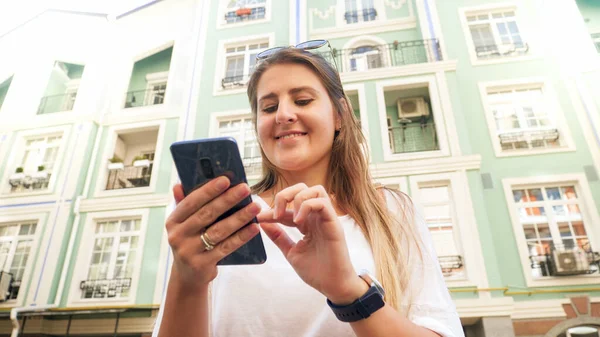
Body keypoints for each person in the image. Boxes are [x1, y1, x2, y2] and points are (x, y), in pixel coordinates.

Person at [153, 45, 464, 337]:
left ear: (339, 115)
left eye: (302, 100)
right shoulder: (222, 216)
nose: (283, 114)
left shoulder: (392, 211)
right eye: (269, 106)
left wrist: (347, 291)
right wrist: (187, 278)